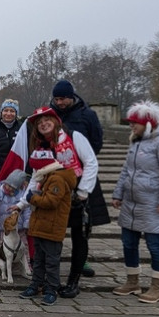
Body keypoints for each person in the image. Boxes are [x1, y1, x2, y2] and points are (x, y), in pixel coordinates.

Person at [0, 106, 100, 298]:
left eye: (47, 120)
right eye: (39, 122)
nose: (43, 124)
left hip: (75, 194)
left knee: (73, 242)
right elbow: (36, 177)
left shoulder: (74, 137)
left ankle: (69, 282)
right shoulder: (40, 146)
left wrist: (83, 192)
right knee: (44, 247)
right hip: (47, 201)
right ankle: (39, 283)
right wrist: (21, 203)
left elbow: (91, 162)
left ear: (55, 121)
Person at [111, 101, 159, 303]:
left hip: (152, 203)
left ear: (148, 123)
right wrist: (118, 193)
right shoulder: (136, 141)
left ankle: (157, 287)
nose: (132, 126)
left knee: (155, 245)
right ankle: (132, 281)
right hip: (131, 202)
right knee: (128, 243)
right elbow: (127, 170)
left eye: (135, 123)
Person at [49, 79, 108, 277]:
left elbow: (96, 141)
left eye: (63, 98)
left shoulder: (87, 115)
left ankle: (82, 259)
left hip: (81, 173)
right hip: (55, 175)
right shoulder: (50, 115)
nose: (60, 102)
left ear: (71, 96)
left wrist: (80, 159)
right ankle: (51, 258)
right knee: (54, 221)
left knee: (81, 225)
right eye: (57, 99)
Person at [18, 160, 77, 305]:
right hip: (41, 227)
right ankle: (36, 284)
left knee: (51, 261)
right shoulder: (47, 178)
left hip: (52, 228)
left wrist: (33, 198)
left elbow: (51, 201)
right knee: (39, 259)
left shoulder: (56, 179)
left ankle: (51, 289)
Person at [0, 169, 31, 278]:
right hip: (3, 227)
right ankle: (4, 262)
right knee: (4, 245)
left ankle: (26, 264)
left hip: (18, 227)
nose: (8, 188)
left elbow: (27, 211)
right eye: (7, 185)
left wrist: (26, 223)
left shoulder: (22, 195)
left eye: (12, 188)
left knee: (23, 246)